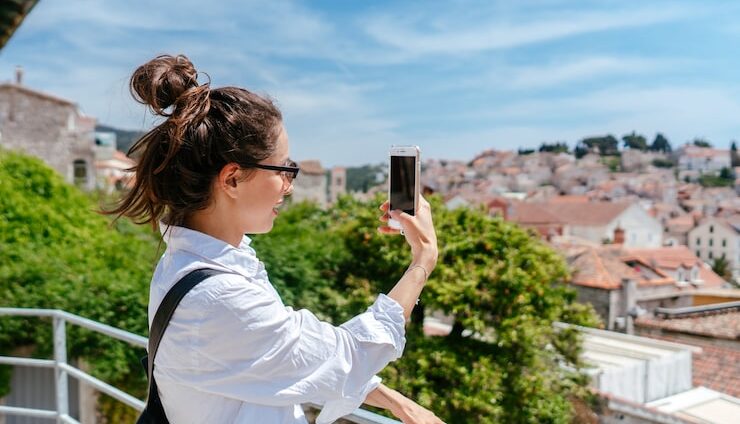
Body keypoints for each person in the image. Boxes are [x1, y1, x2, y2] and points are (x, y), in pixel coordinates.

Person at [109, 54, 443, 424]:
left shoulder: (204, 262)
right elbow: (347, 356)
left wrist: (395, 401)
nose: (289, 185)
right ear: (232, 179)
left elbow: (287, 356)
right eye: (284, 169)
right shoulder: (219, 297)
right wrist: (423, 259)